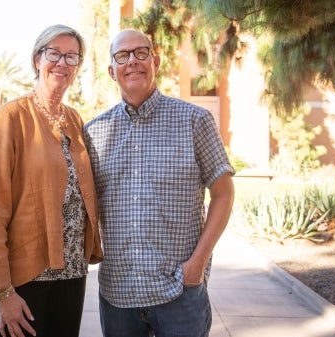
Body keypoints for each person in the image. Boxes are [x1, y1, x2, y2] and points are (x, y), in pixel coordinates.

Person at [84, 29, 235, 337]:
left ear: (155, 60)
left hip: (179, 293)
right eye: (122, 56)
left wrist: (197, 264)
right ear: (112, 71)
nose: (133, 62)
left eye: (141, 53)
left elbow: (223, 194)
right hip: (118, 297)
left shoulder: (194, 121)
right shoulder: (94, 133)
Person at [0, 24, 102, 337]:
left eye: (72, 57)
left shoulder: (74, 119)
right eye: (54, 53)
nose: (62, 63)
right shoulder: (11, 116)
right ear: (37, 59)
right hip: (26, 276)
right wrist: (3, 292)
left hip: (71, 270)